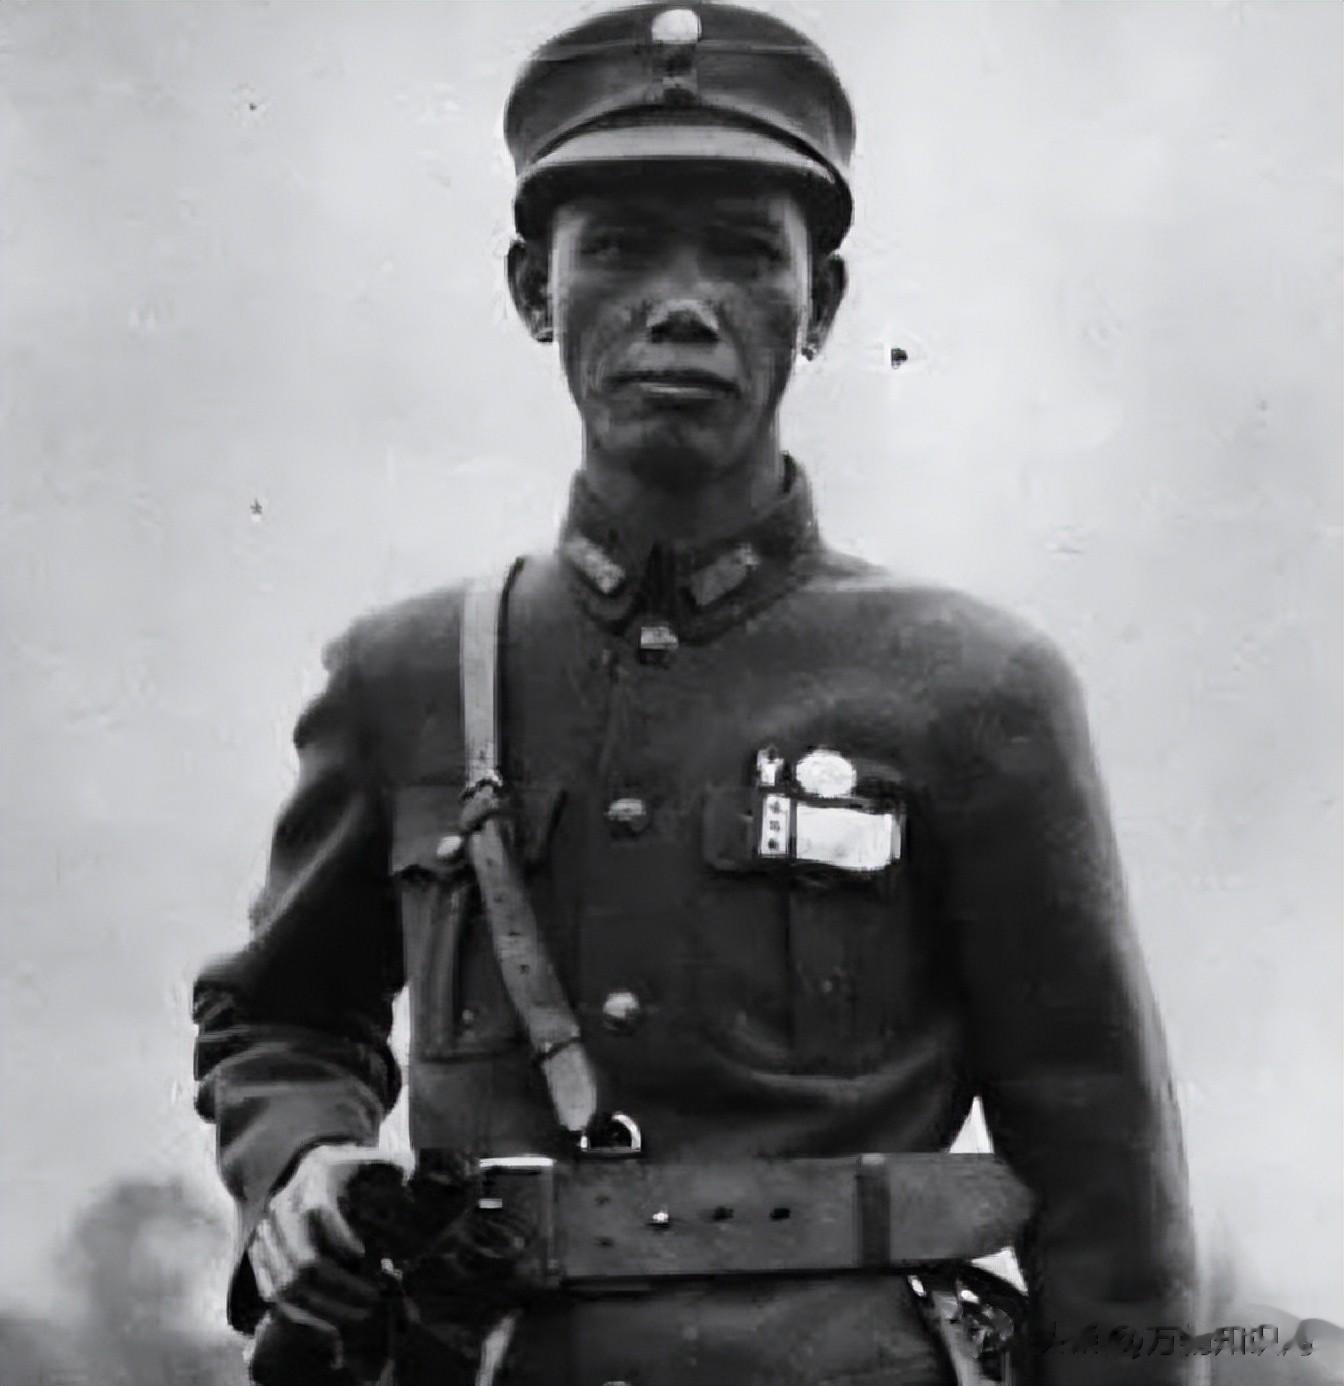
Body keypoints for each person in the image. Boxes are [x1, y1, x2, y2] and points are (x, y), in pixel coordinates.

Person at [192, 5, 1196, 1383]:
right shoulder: (405, 677)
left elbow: (1102, 1165)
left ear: (820, 304)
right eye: (617, 248)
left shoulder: (974, 689)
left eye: (741, 251)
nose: (680, 302)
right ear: (533, 290)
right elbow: (279, 1016)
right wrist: (301, 1155)